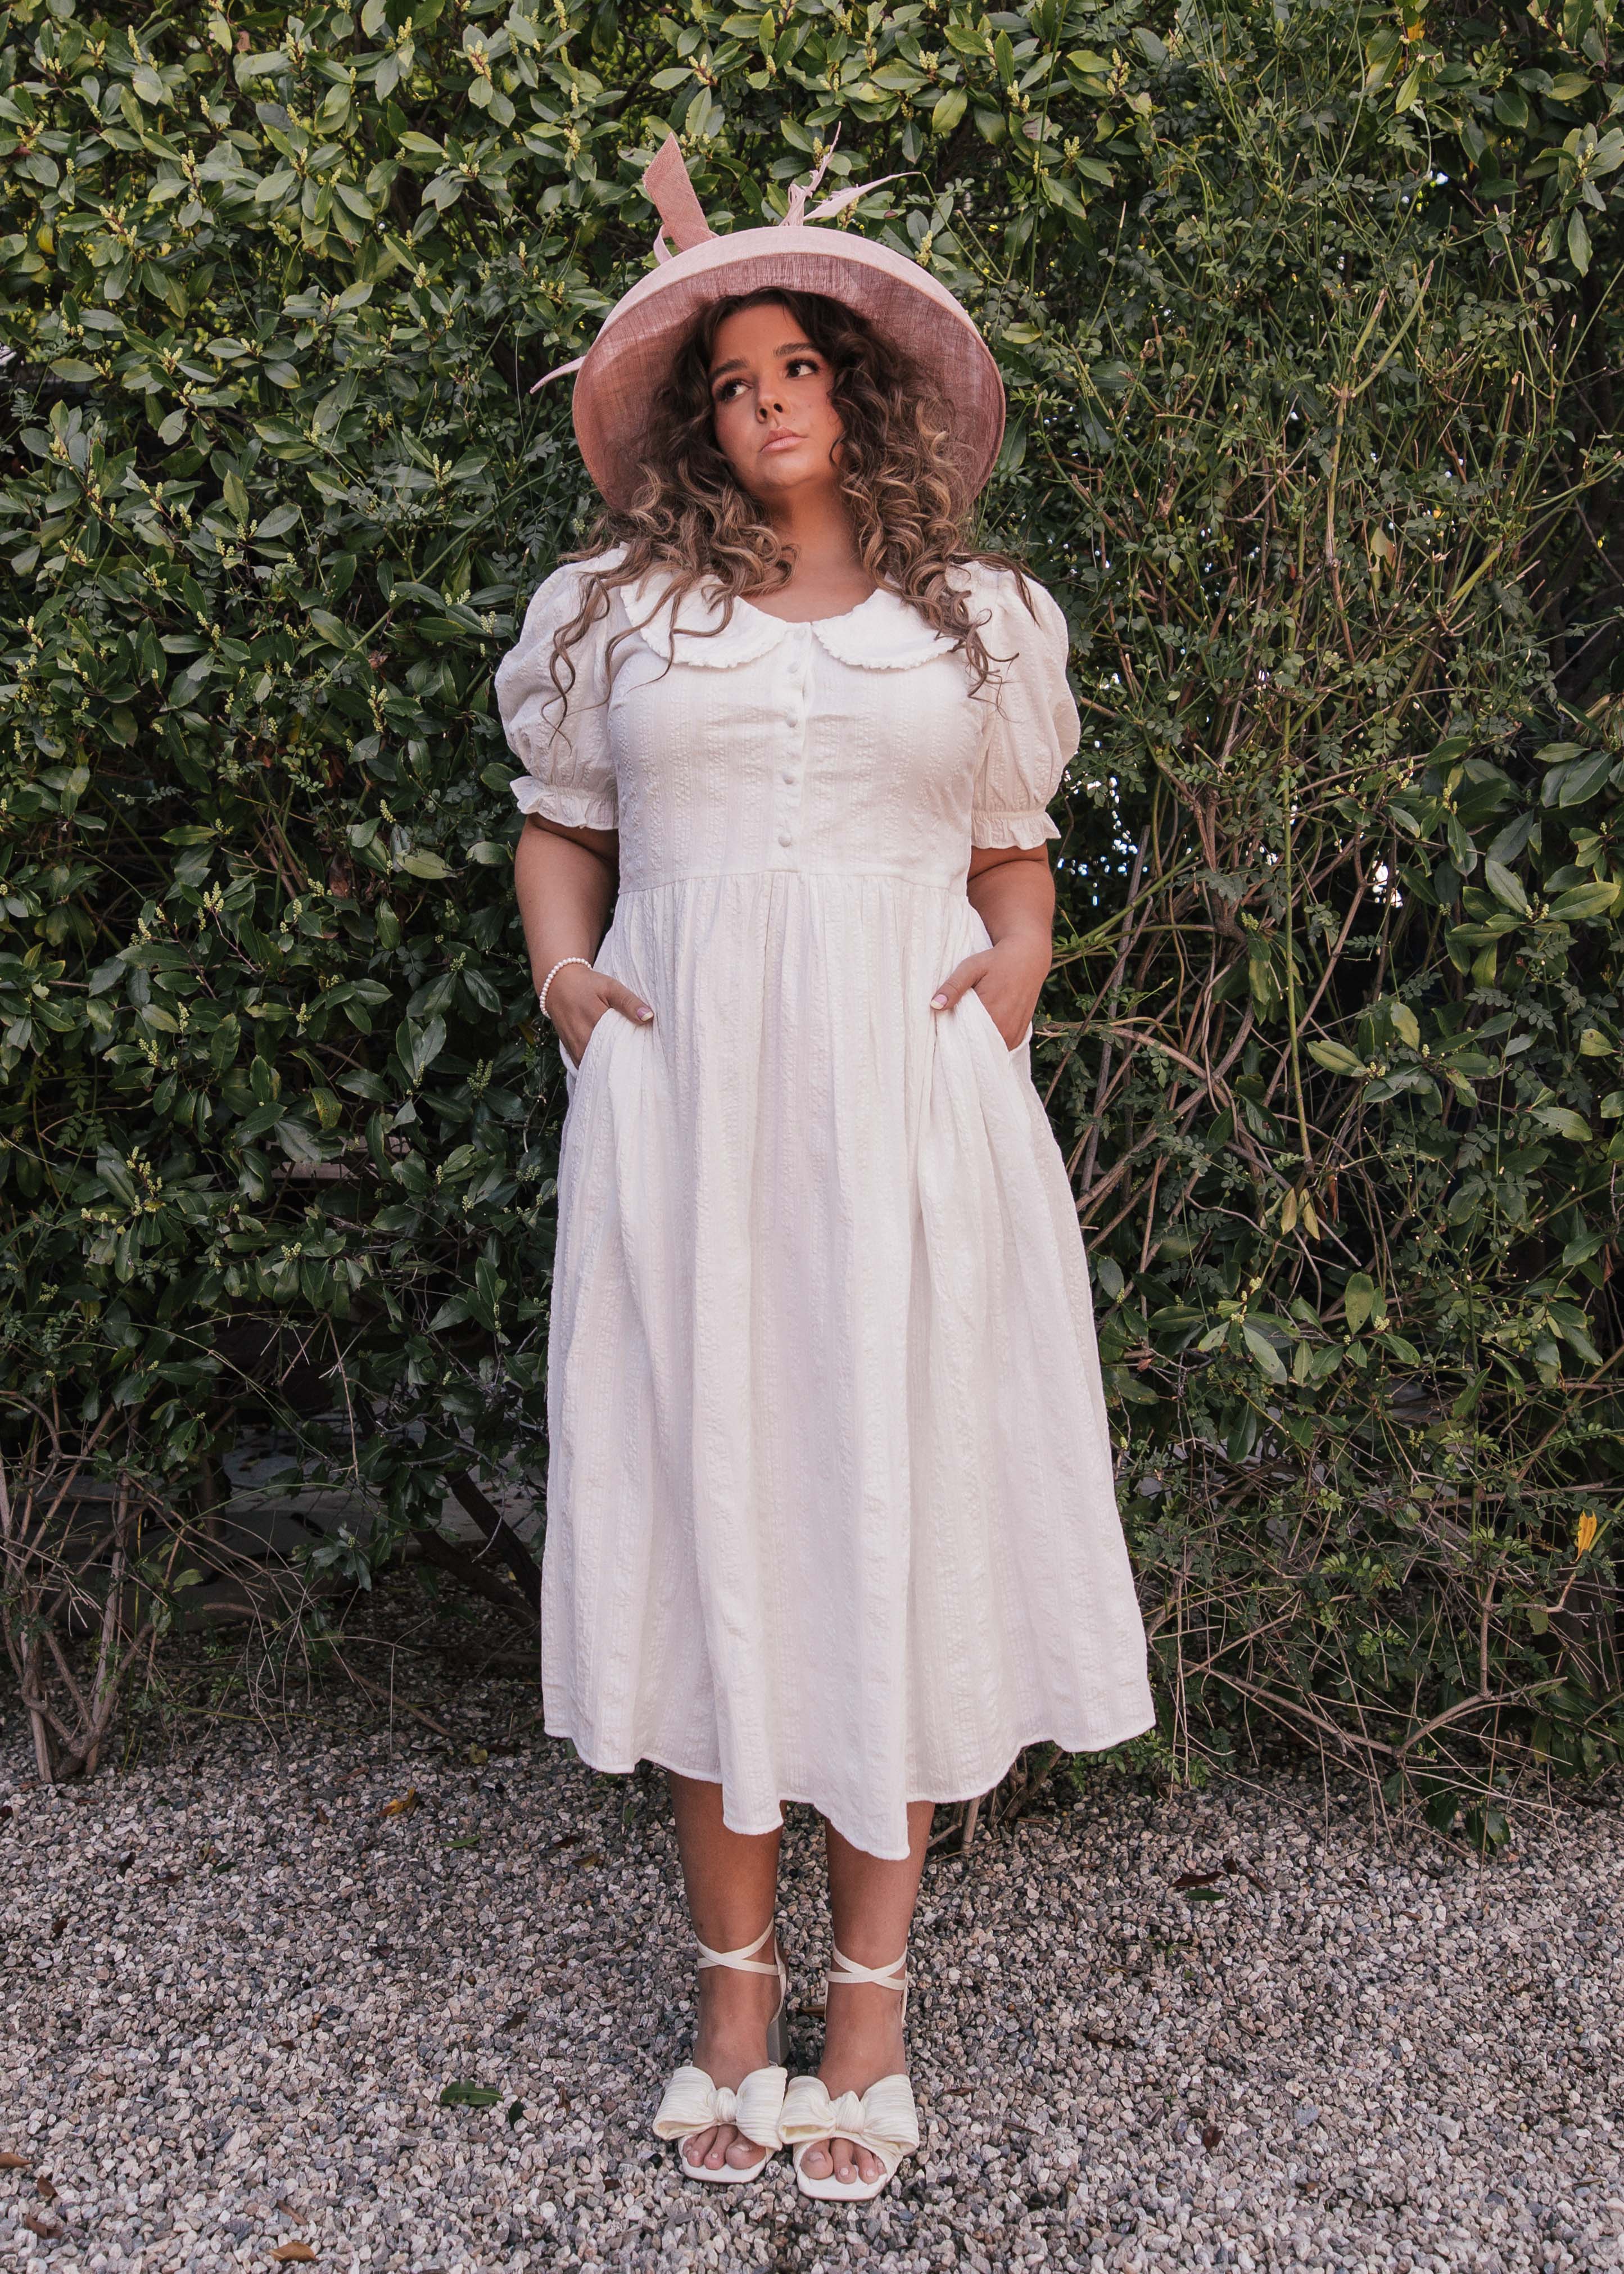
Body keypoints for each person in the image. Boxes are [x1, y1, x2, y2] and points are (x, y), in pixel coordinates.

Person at [496, 135, 1155, 2204]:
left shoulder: (983, 626)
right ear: (701, 423)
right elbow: (560, 824)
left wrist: (1016, 968)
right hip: (687, 1116)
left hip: (909, 1121)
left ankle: (864, 2025)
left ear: (858, 394)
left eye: (797, 367)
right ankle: (731, 2006)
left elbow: (1010, 856)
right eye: (731, 380)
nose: (766, 401)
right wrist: (569, 984)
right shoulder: (618, 615)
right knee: (709, 1513)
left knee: (893, 1515)